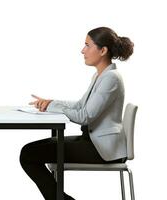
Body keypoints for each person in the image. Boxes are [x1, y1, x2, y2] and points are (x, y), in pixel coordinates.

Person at [20, 27, 134, 200]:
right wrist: (51, 103)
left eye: (87, 45)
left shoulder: (111, 78)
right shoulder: (100, 76)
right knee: (30, 150)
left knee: (29, 154)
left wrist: (52, 107)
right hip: (92, 141)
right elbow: (81, 105)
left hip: (101, 149)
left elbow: (84, 116)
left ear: (102, 50)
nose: (83, 50)